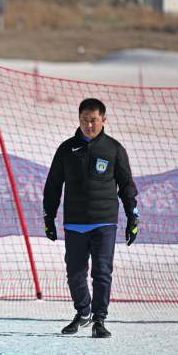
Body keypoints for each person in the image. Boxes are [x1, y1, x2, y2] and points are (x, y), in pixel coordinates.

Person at [42, 98, 139, 338]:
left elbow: (126, 185)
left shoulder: (114, 149)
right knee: (75, 272)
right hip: (75, 222)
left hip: (104, 221)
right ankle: (83, 312)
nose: (89, 125)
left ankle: (99, 319)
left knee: (102, 272)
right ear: (79, 120)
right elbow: (53, 185)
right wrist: (49, 216)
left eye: (93, 120)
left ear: (104, 120)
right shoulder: (66, 149)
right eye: (84, 120)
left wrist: (132, 216)